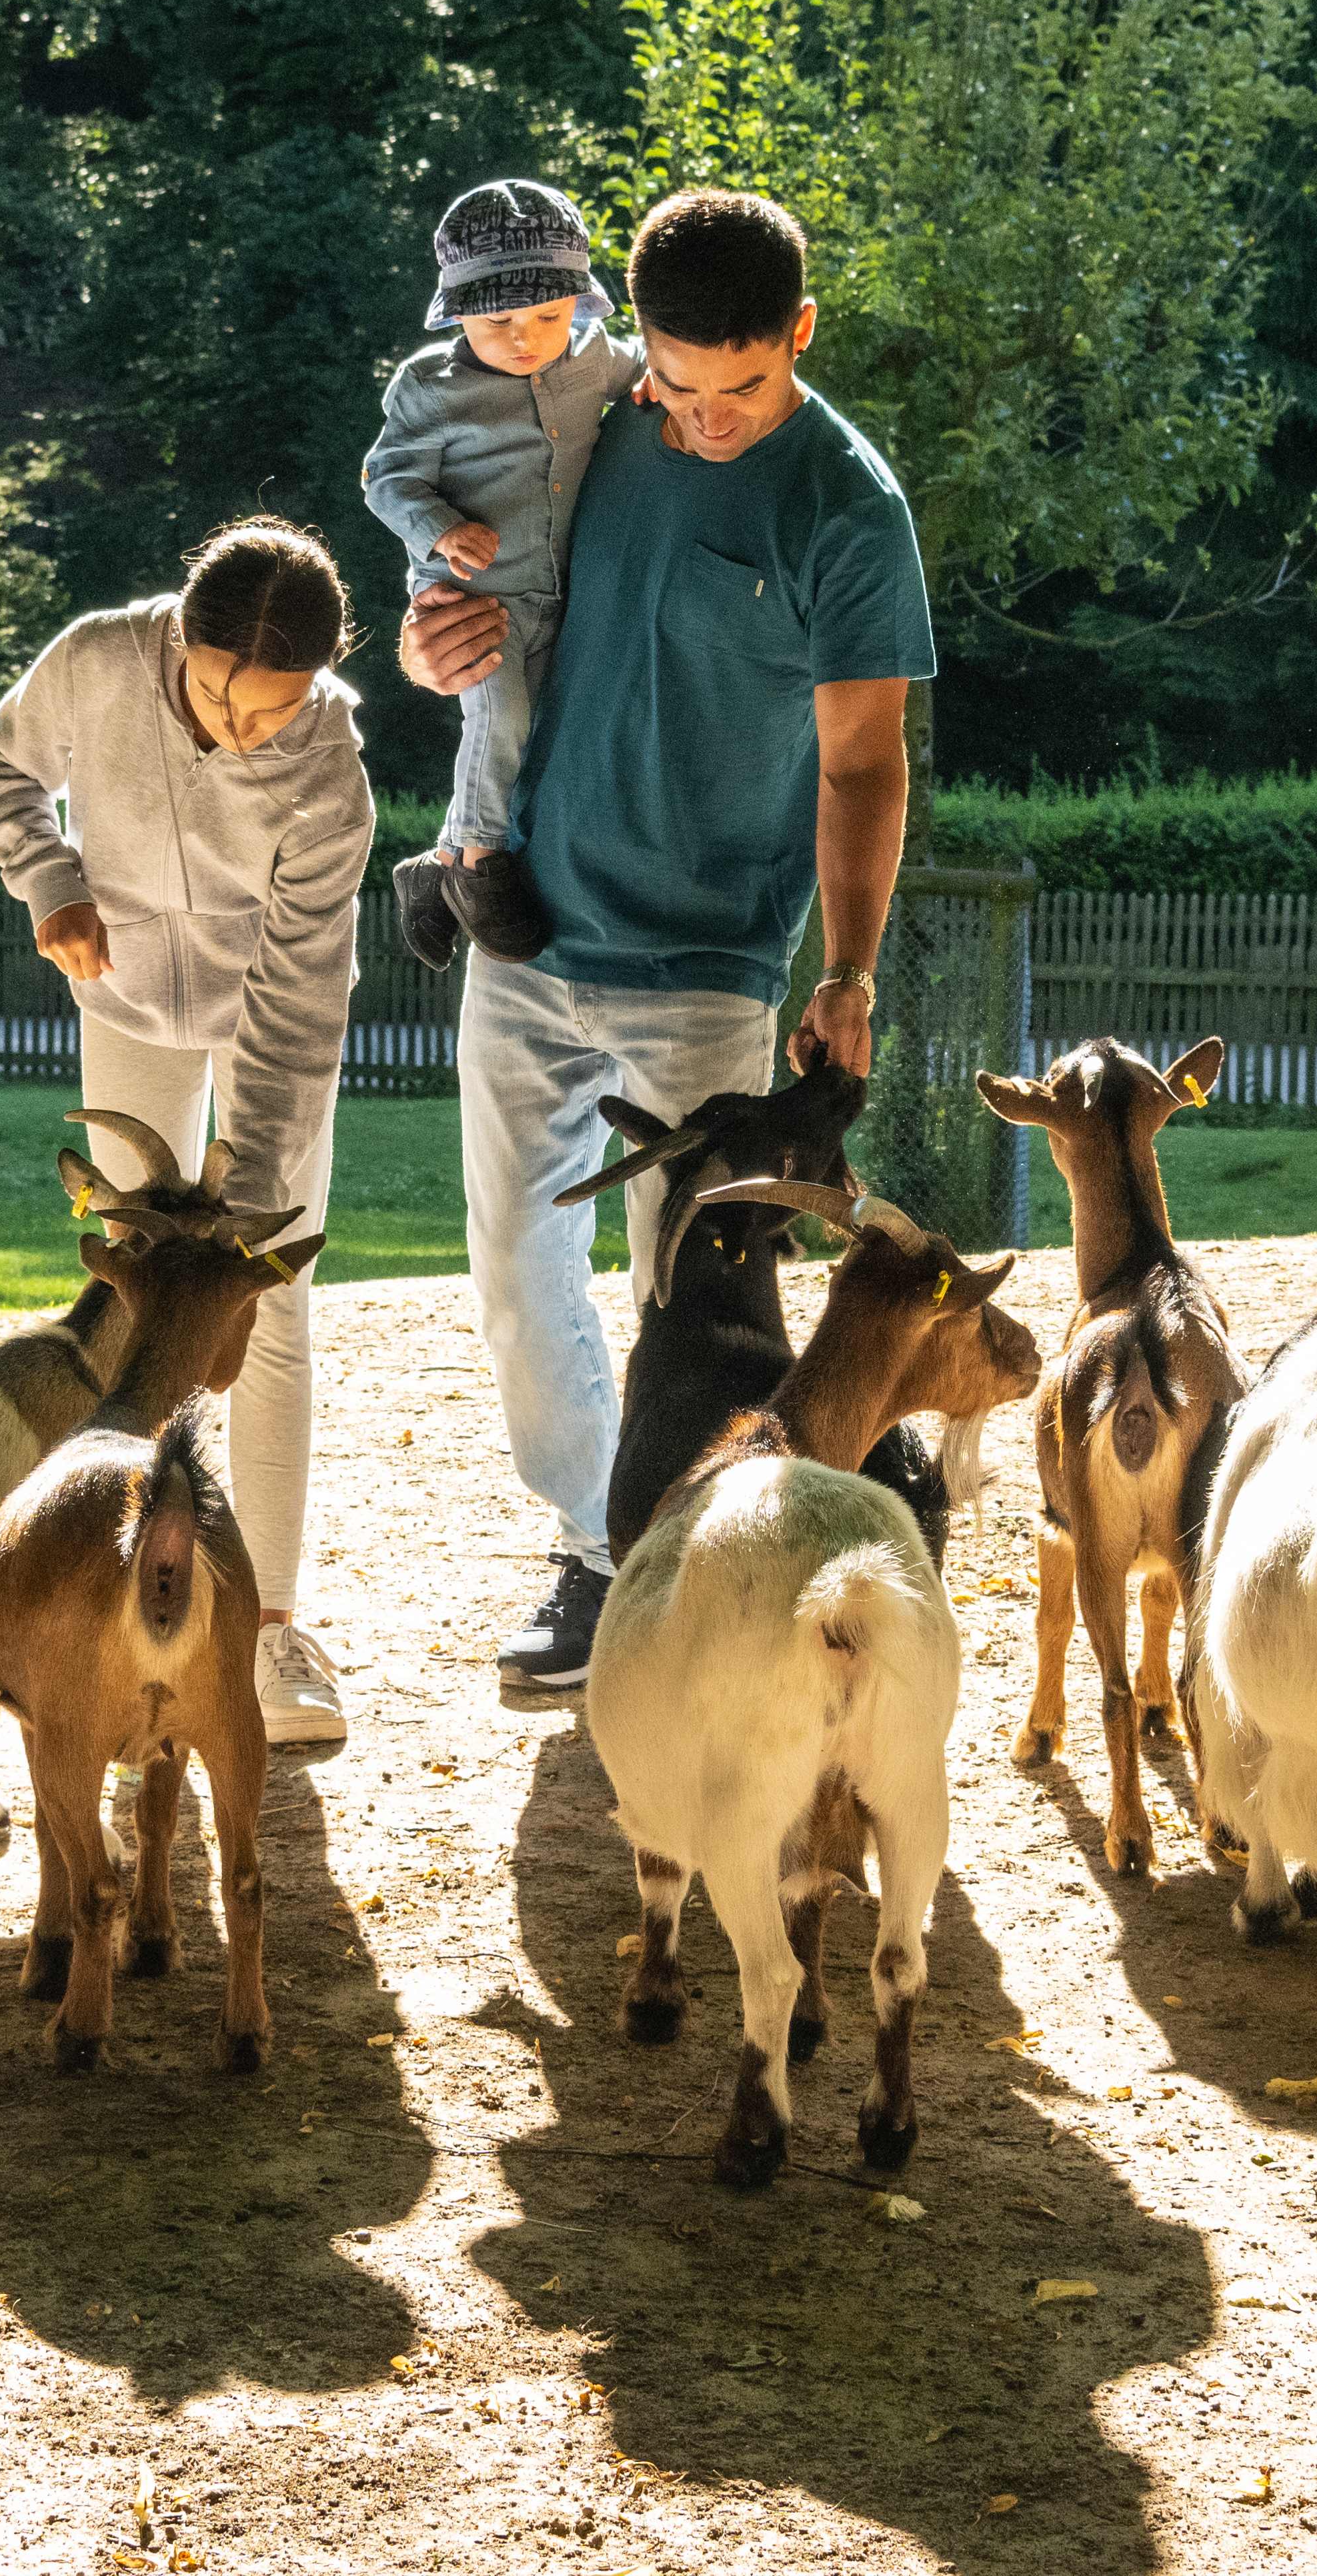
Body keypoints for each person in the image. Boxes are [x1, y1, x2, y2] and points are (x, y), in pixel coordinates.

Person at [393, 187, 935, 1690]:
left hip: (707, 965)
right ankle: (596, 1550)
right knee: (514, 1271)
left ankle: (696, 1562)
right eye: (677, 384)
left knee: (691, 1298)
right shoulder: (593, 409)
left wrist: (845, 965)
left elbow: (864, 762)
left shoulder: (846, 505)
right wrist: (425, 636)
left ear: (801, 338)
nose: (697, 417)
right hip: (530, 923)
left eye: (739, 388)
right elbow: (461, 578)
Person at [0, 522, 375, 1751]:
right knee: (135, 1297)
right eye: (215, 698)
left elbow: (299, 1003)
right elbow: (1, 768)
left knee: (268, 1305)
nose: (241, 729)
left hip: (268, 1019)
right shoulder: (95, 659)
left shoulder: (330, 774)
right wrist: (52, 883)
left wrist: (243, 1212)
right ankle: (115, 1574)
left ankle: (272, 1627)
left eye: (273, 713)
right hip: (128, 1002)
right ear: (178, 643)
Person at [363, 179, 641, 971]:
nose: (527, 338)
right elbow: (386, 480)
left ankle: (433, 866)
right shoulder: (432, 388)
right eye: (500, 322)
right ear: (456, 312)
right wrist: (443, 531)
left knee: (540, 736)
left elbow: (648, 372)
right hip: (471, 596)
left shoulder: (594, 359)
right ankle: (480, 863)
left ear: (579, 306)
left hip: (561, 591)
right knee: (501, 717)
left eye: (549, 317)